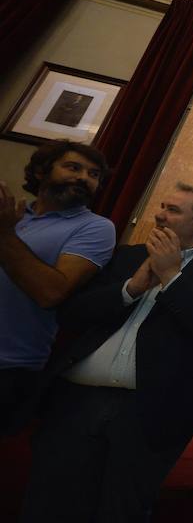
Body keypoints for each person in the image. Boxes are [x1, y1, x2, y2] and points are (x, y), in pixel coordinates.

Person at [19, 183, 193, 522]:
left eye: (173, 210)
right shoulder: (127, 256)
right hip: (76, 401)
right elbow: (73, 313)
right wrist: (131, 288)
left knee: (121, 507)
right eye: (162, 206)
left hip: (151, 411)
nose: (159, 214)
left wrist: (172, 276)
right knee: (49, 500)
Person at [0, 140, 115, 433]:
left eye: (93, 174)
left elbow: (51, 293)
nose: (83, 178)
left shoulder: (96, 228)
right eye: (73, 168)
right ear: (40, 172)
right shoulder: (14, 214)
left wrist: (4, 234)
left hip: (11, 366)